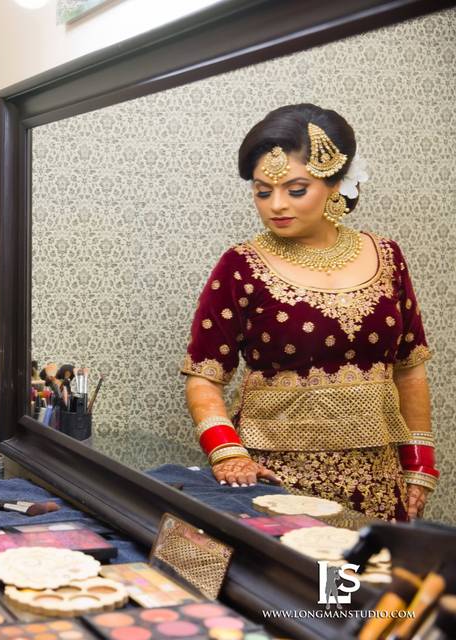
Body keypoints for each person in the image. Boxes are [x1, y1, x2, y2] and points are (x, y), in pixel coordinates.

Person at [181, 104, 438, 522]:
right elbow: (204, 375)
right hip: (271, 482)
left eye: (296, 190)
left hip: (375, 481)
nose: (276, 205)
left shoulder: (387, 257)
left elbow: (409, 368)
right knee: (283, 586)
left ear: (336, 184)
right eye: (263, 192)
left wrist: (420, 466)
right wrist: (228, 455)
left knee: (349, 586)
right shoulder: (241, 265)